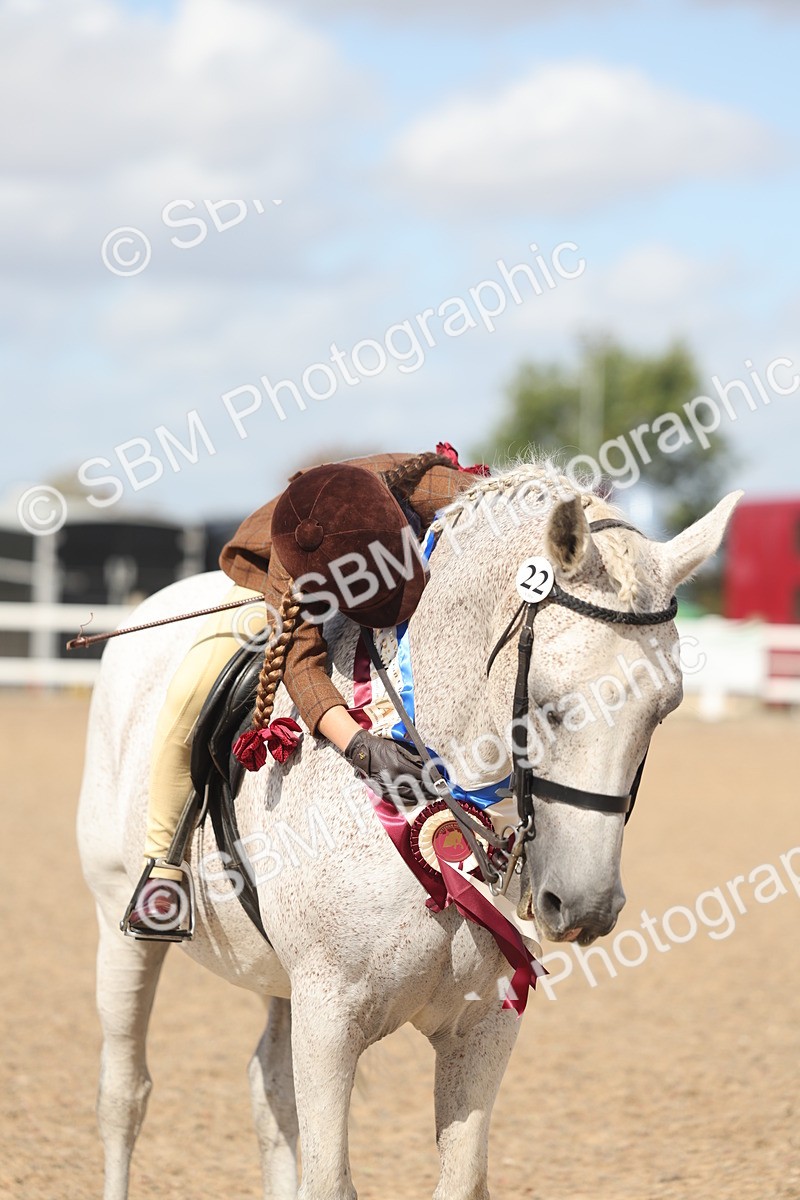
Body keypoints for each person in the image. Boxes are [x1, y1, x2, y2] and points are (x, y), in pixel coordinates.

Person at [125, 446, 487, 937]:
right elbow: (298, 660)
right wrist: (358, 745)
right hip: (271, 579)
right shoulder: (289, 565)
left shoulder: (437, 489)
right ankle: (161, 867)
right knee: (190, 691)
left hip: (403, 554)